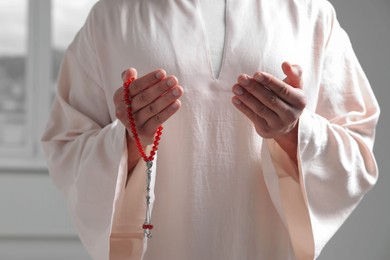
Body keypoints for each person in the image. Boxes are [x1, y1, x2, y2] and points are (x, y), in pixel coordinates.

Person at [41, 0, 380, 259]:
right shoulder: (113, 16)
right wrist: (129, 140)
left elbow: (357, 152)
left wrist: (294, 133)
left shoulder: (310, 13)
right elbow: (67, 146)